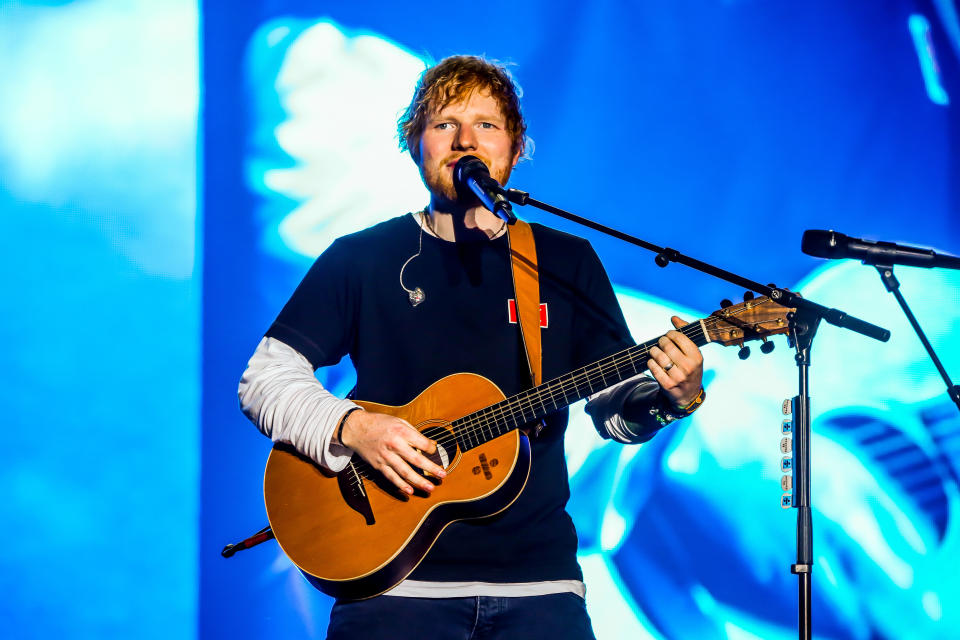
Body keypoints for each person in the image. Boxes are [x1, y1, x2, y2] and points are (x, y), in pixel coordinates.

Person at [239, 55, 705, 640]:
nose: (465, 140)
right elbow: (264, 379)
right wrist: (354, 429)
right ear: (416, 146)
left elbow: (615, 417)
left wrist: (672, 399)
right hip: (393, 587)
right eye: (444, 124)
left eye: (486, 125)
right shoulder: (361, 258)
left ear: (514, 150)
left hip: (540, 588)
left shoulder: (564, 263)